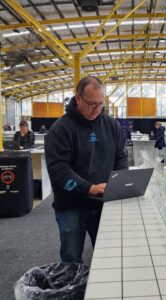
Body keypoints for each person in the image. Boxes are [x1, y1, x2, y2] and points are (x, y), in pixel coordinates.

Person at [45, 76, 128, 263]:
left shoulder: (111, 125)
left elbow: (121, 156)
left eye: (100, 104)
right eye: (91, 104)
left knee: (107, 254)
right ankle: (71, 291)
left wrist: (119, 181)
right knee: (71, 257)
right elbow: (58, 170)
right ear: (78, 98)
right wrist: (89, 188)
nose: (96, 109)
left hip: (103, 202)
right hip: (71, 205)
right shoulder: (61, 129)